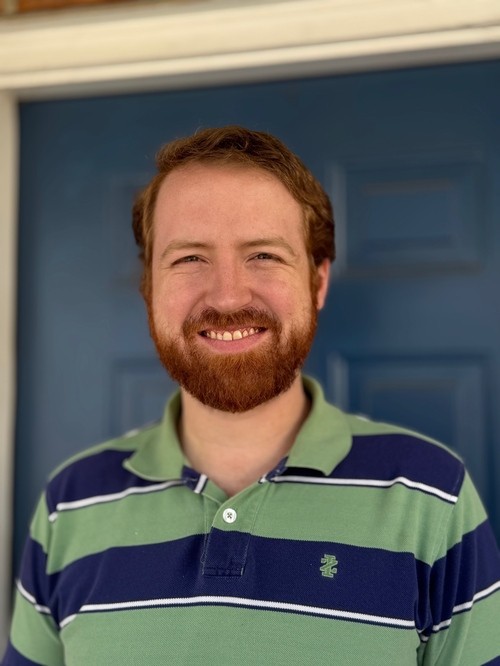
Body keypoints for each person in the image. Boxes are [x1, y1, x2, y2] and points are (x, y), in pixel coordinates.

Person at [3, 126, 499, 665]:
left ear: (318, 281)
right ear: (149, 287)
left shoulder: (431, 497)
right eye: (189, 258)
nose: (227, 297)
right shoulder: (70, 504)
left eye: (263, 254)